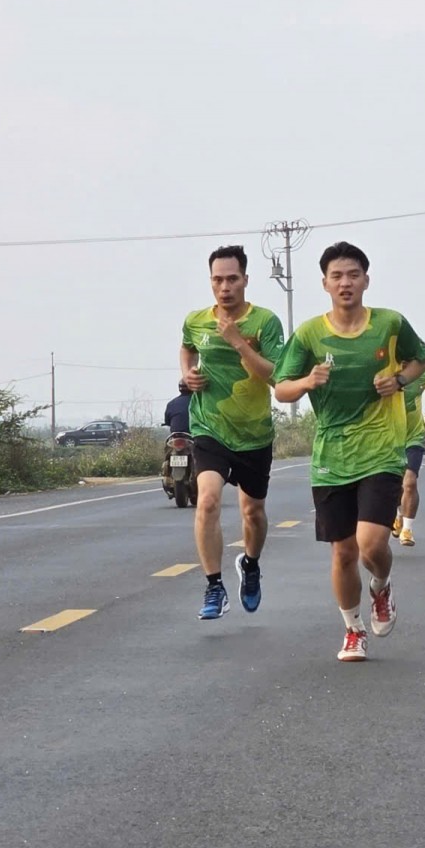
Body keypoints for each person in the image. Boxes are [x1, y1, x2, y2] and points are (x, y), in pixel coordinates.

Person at [272, 241, 425, 662]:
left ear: (366, 280)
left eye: (353, 275)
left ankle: (381, 587)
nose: (346, 282)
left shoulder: (390, 324)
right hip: (331, 457)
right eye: (337, 276)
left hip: (381, 450)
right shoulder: (308, 333)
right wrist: (307, 382)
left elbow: (422, 359)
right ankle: (353, 629)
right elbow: (281, 387)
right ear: (324, 283)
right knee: (343, 552)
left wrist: (398, 381)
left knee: (371, 545)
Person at [181, 245, 286, 621]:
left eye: (232, 279)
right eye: (217, 280)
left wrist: (238, 341)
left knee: (253, 513)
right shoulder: (195, 320)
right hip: (209, 427)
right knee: (207, 500)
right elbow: (187, 347)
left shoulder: (265, 322)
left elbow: (276, 375)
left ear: (245, 280)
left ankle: (251, 565)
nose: (224, 287)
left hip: (254, 433)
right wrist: (188, 374)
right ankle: (214, 586)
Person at [392, 367, 425, 547]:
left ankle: (407, 530)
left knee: (409, 482)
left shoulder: (423, 373)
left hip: (414, 437)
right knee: (394, 485)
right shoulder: (385, 370)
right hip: (388, 440)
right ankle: (398, 515)